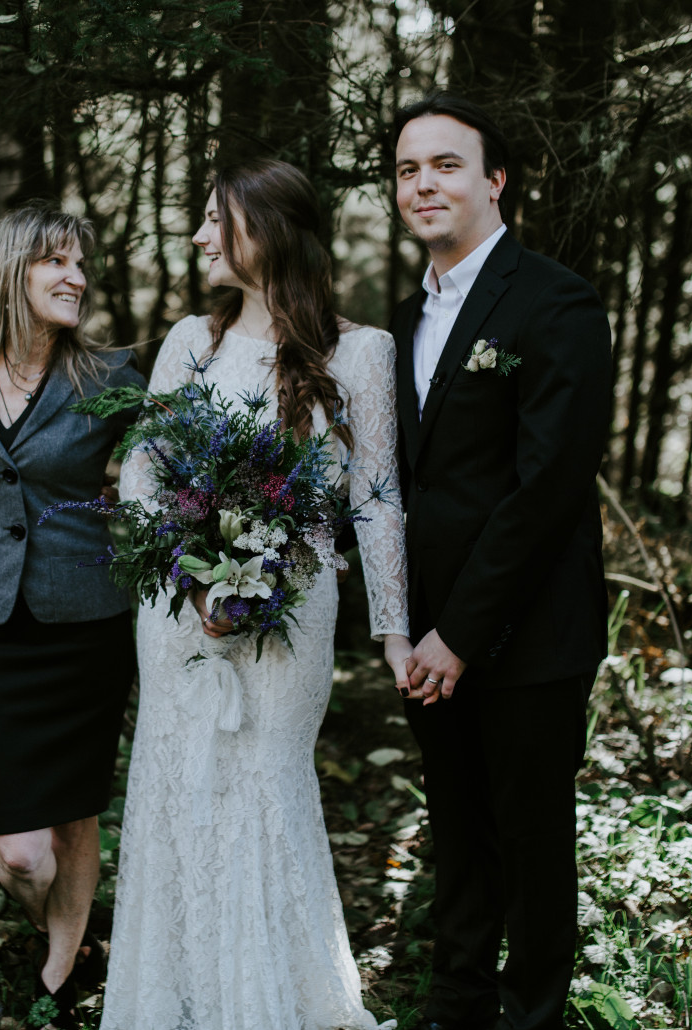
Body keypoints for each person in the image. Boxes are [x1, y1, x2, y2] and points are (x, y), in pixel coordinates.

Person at [101, 159, 412, 1030]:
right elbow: (140, 474)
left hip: (292, 620)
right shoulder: (187, 344)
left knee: (267, 791)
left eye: (215, 219)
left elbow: (377, 498)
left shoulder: (361, 352)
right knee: (179, 792)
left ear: (268, 230)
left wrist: (393, 630)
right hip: (178, 619)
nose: (200, 236)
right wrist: (191, 569)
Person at [389, 92, 613, 1030]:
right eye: (407, 170)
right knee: (458, 833)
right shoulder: (400, 320)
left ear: (494, 180)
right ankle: (456, 1003)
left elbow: (548, 488)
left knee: (530, 843)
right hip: (430, 642)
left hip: (526, 634)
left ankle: (534, 1016)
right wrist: (405, 627)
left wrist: (461, 633)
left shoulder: (555, 300)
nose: (423, 184)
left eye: (445, 165)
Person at [0, 205, 144, 1027]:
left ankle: (62, 970)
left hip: (85, 621)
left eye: (80, 265)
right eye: (53, 263)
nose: (75, 278)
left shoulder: (114, 379)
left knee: (76, 811)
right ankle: (50, 921)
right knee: (19, 852)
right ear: (8, 273)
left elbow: (169, 484)